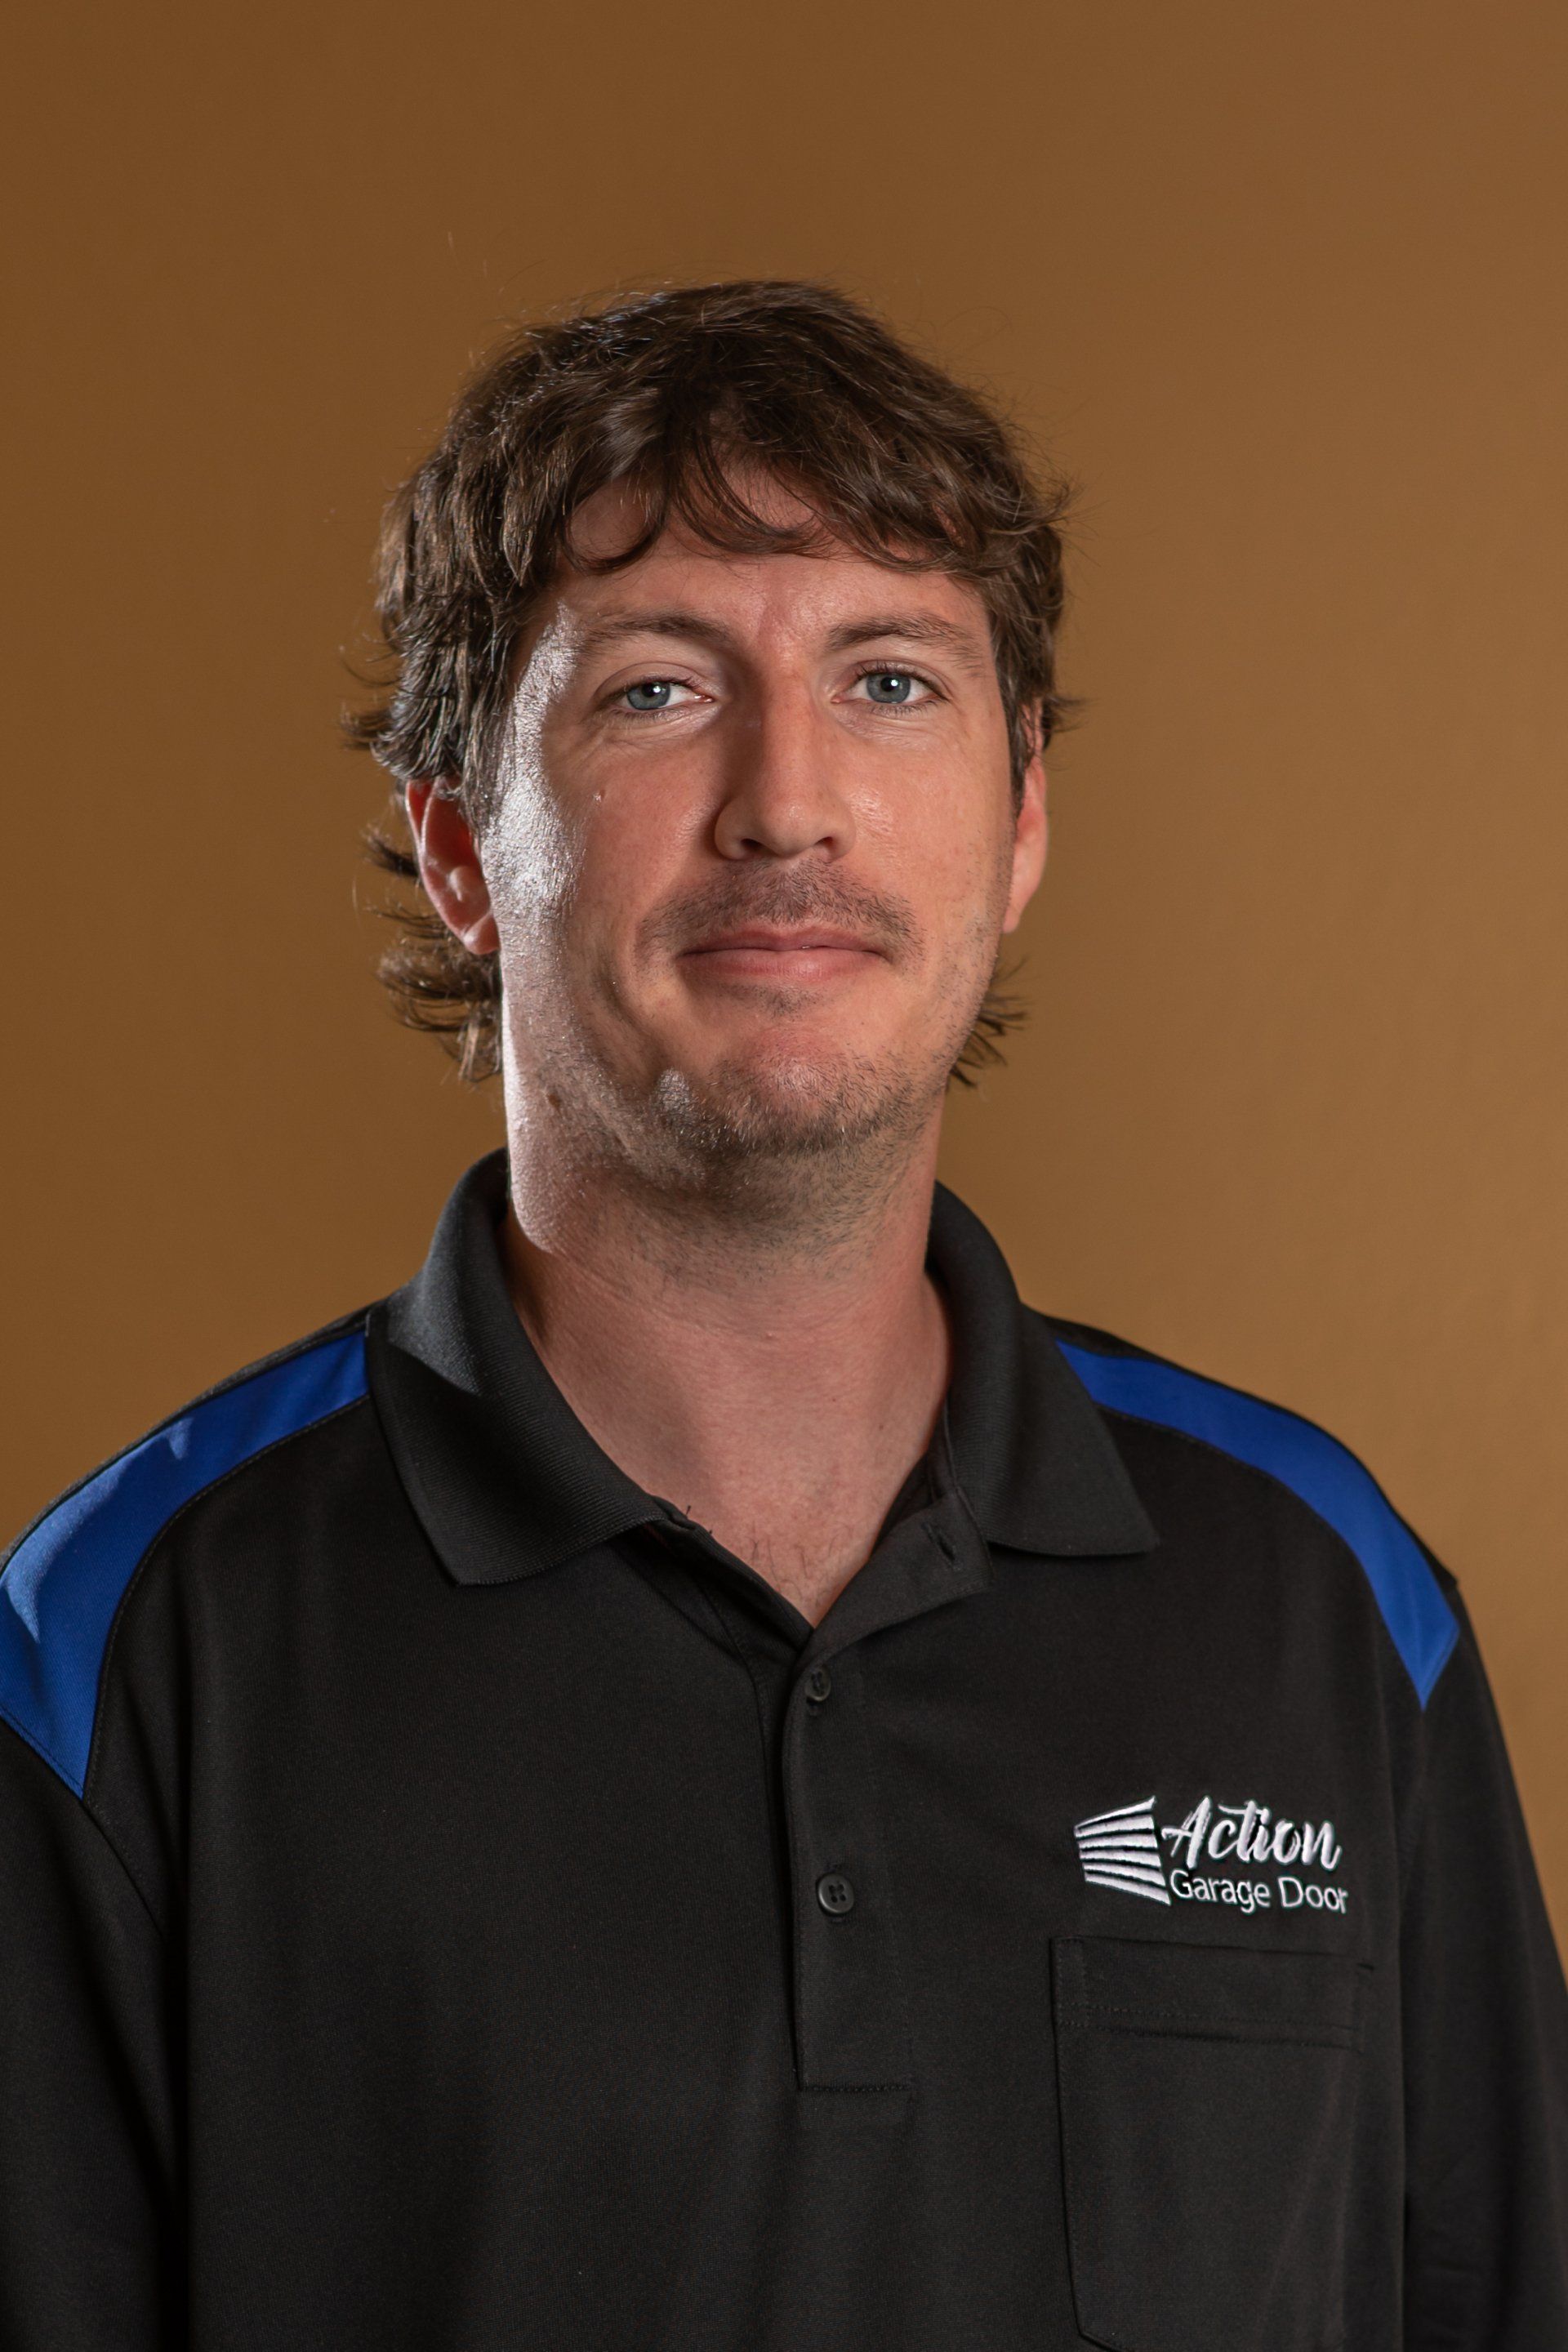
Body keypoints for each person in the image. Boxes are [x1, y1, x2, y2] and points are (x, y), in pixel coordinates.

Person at [1, 280, 1564, 2352]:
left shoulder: (1329, 1601)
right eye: (655, 690)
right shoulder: (115, 1649)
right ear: (464, 844)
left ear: (1019, 830)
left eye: (894, 681)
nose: (788, 804)